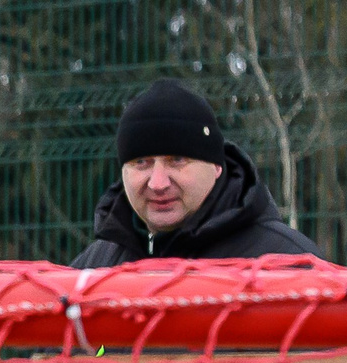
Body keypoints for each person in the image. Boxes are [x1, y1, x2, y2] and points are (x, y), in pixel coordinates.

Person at [71, 81, 319, 268]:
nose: (158, 183)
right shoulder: (95, 267)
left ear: (216, 166)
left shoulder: (286, 263)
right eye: (141, 163)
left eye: (177, 161)